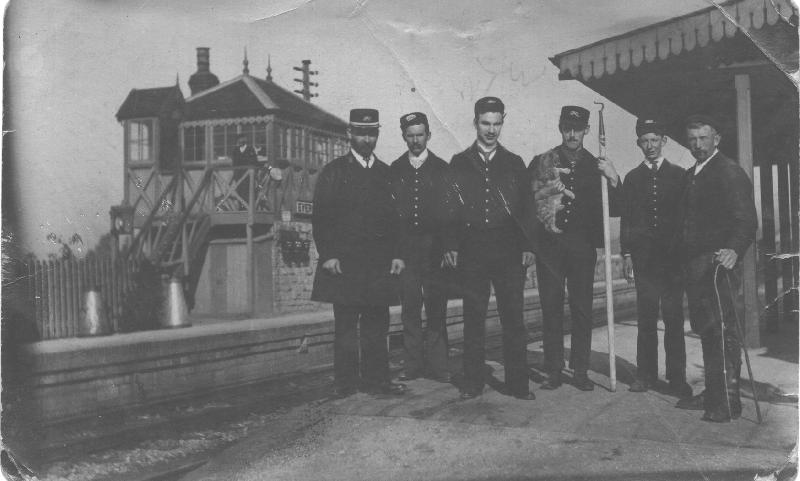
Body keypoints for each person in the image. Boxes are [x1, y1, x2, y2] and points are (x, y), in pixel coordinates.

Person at [443, 97, 536, 401]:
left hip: (508, 252)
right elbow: (451, 209)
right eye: (486, 123)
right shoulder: (459, 162)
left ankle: (518, 384)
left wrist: (527, 247)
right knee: (473, 318)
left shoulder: (514, 163)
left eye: (497, 123)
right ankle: (472, 383)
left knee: (513, 319)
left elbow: (526, 209)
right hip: (473, 252)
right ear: (475, 123)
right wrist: (452, 245)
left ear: (502, 122)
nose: (491, 130)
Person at [311, 108, 407, 398]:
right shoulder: (334, 172)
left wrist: (398, 254)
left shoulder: (387, 174)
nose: (367, 138)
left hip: (379, 265)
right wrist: (328, 254)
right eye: (361, 132)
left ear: (377, 134)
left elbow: (398, 220)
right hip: (345, 264)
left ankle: (378, 381)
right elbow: (322, 218)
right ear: (349, 134)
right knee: (346, 326)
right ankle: (346, 383)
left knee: (378, 324)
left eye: (372, 133)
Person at [529, 106, 621, 392]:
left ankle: (580, 371)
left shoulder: (597, 166)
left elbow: (616, 207)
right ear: (560, 128)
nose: (572, 133)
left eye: (577, 128)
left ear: (586, 131)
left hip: (582, 248)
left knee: (582, 310)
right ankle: (554, 370)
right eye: (567, 127)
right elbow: (528, 204)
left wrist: (614, 177)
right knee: (551, 308)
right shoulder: (542, 161)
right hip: (550, 248)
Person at [675, 114, 757, 422]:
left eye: (703, 139)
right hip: (694, 266)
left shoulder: (729, 172)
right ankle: (717, 394)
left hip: (717, 264)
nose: (697, 145)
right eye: (692, 139)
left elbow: (747, 220)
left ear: (716, 139)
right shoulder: (690, 174)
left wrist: (734, 249)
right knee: (706, 330)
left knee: (721, 330)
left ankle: (724, 403)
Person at [620, 118, 692, 398]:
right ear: (639, 143)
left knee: (674, 320)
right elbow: (627, 219)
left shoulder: (680, 175)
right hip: (645, 262)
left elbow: (687, 217)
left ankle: (677, 379)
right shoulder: (632, 178)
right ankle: (645, 375)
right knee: (646, 319)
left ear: (664, 141)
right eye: (644, 141)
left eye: (654, 140)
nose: (649, 146)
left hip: (673, 261)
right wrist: (626, 254)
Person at [390, 112, 452, 383]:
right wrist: (395, 253)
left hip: (435, 250)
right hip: (406, 252)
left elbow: (452, 213)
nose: (416, 140)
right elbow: (389, 216)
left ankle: (439, 366)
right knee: (410, 308)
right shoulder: (395, 169)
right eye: (410, 135)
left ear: (429, 135)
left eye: (420, 134)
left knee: (437, 306)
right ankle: (413, 365)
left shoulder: (442, 168)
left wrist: (450, 246)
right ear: (404, 136)